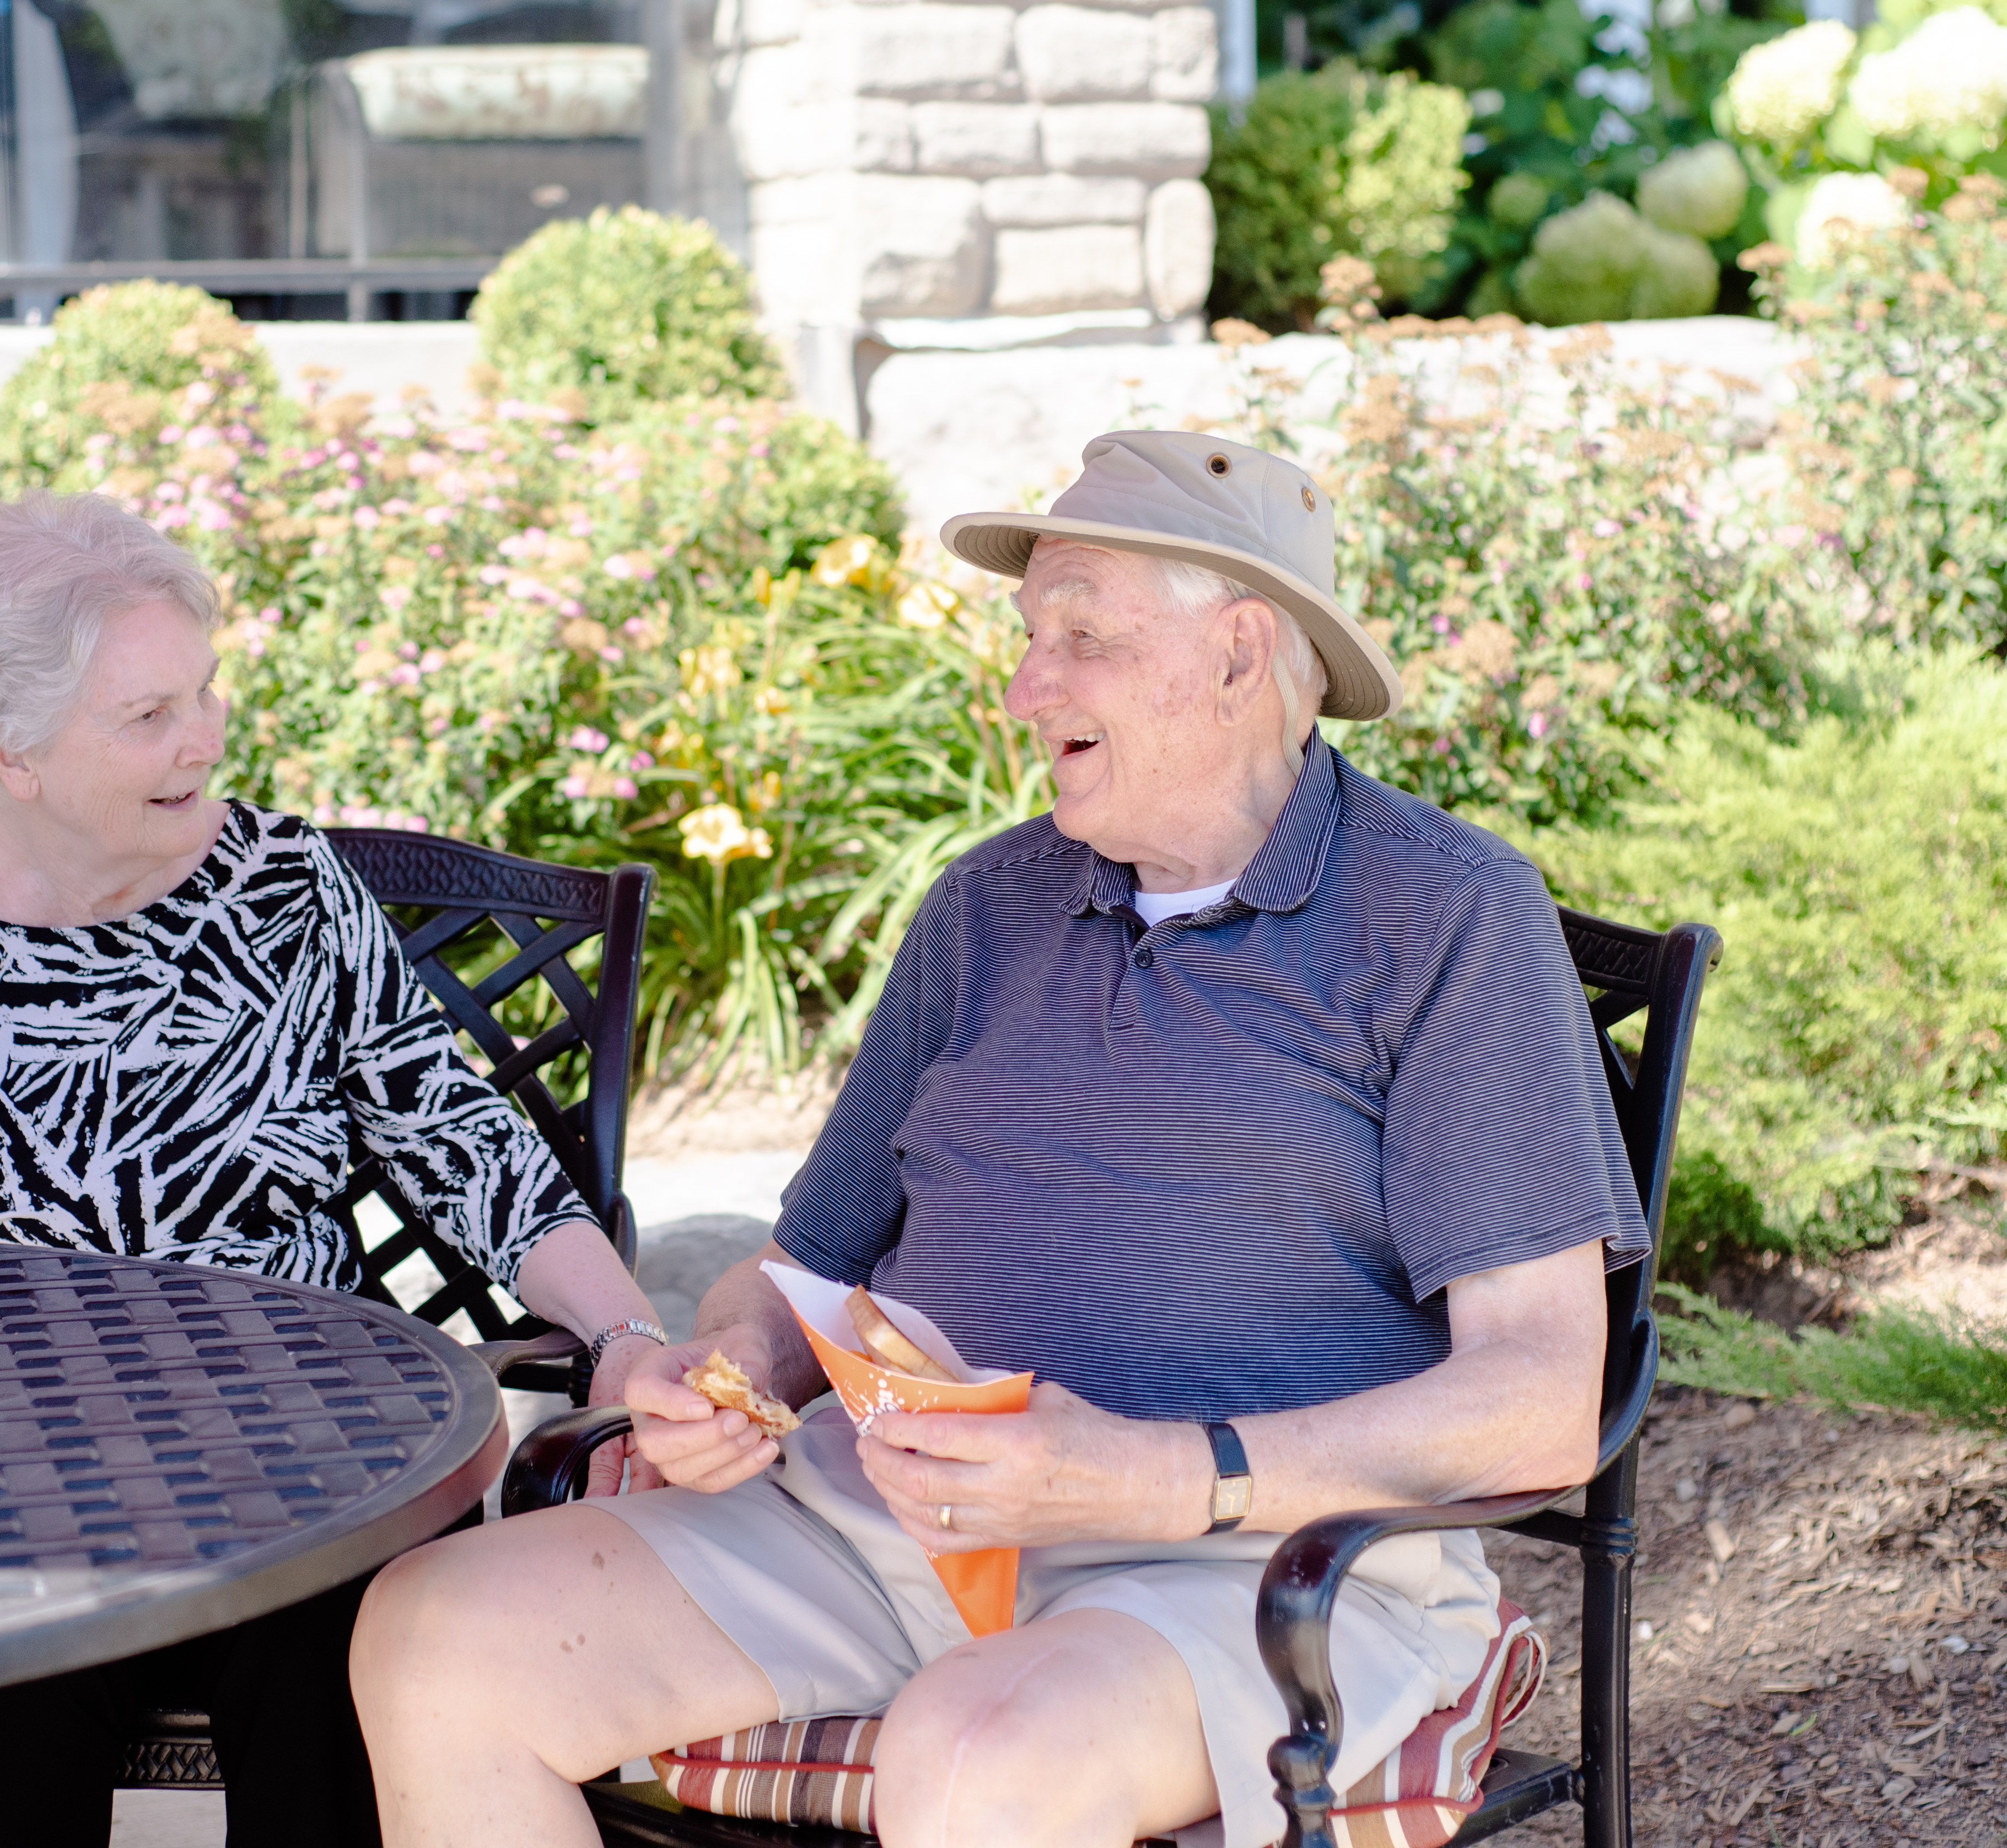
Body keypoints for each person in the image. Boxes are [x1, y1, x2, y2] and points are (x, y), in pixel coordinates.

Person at [348, 432, 1642, 1848]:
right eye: (1031, 639)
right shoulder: (990, 904)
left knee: (975, 1756)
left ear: (1237, 653)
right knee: (436, 1634)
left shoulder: (1446, 915)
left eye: (1081, 636)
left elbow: (1539, 1401)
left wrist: (1152, 1470)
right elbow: (800, 1269)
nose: (1029, 688)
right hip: (885, 1528)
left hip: (1247, 1564)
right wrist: (729, 1373)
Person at [0, 492, 665, 1848]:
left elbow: (466, 1142)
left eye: (201, 691)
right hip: (27, 1493)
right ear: (10, 751)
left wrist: (625, 1330)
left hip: (315, 1467)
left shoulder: (289, 891)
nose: (205, 736)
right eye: (148, 716)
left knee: (357, 1674)